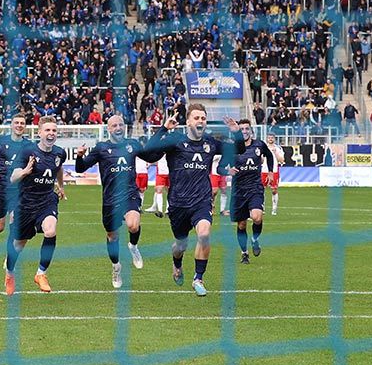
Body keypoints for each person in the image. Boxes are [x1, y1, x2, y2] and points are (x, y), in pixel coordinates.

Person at [145, 104, 245, 296]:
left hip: (202, 201)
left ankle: (198, 278)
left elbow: (238, 150)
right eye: (197, 118)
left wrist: (236, 132)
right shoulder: (175, 140)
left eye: (203, 118)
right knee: (180, 245)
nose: (200, 121)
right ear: (188, 121)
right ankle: (177, 264)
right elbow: (149, 151)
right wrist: (164, 128)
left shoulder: (211, 143)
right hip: (178, 203)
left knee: (204, 234)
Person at [75, 115, 156, 288]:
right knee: (112, 236)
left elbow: (151, 157)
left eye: (120, 124)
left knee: (133, 225)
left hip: (130, 194)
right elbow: (80, 168)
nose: (118, 127)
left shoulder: (132, 144)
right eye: (114, 125)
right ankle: (116, 266)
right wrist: (79, 156)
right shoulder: (101, 148)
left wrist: (164, 136)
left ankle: (133, 246)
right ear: (108, 129)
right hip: (110, 200)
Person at [4, 116, 67, 296]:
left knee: (50, 230)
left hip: (47, 200)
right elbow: (13, 177)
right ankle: (9, 274)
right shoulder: (27, 151)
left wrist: (60, 186)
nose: (51, 133)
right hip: (26, 203)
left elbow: (59, 167)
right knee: (18, 245)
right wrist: (25, 172)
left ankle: (41, 274)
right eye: (47, 130)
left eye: (54, 130)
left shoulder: (60, 153)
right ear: (39, 132)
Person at [229, 119, 274, 264]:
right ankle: (244, 253)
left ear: (251, 130)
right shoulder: (233, 147)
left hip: (255, 188)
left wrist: (271, 172)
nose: (244, 131)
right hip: (238, 190)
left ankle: (255, 239)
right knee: (241, 224)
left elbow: (270, 155)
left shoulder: (259, 144)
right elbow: (221, 166)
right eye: (241, 129)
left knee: (257, 217)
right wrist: (227, 170)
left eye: (247, 128)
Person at [0, 113, 30, 234]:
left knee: (16, 224)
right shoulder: (0, 141)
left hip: (19, 189)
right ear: (11, 125)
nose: (19, 125)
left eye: (22, 123)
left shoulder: (30, 146)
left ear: (25, 126)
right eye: (17, 123)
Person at [261, 133, 284, 215]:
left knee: (274, 190)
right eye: (269, 138)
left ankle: (274, 209)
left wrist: (275, 153)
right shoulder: (263, 147)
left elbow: (281, 160)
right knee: (262, 189)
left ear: (274, 139)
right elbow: (261, 161)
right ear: (267, 139)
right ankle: (262, 207)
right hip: (264, 171)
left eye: (272, 138)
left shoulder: (278, 148)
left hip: (274, 171)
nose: (270, 139)